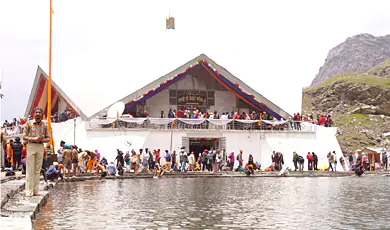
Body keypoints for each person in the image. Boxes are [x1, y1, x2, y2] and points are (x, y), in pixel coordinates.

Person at [23, 107, 50, 197]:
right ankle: (28, 190)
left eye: (40, 112)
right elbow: (24, 136)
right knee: (30, 169)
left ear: (42, 114)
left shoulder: (44, 125)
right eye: (36, 112)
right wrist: (34, 138)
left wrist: (42, 139)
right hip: (31, 145)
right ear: (34, 114)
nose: (38, 114)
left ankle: (35, 190)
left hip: (40, 146)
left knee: (37, 170)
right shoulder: (29, 123)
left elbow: (48, 138)